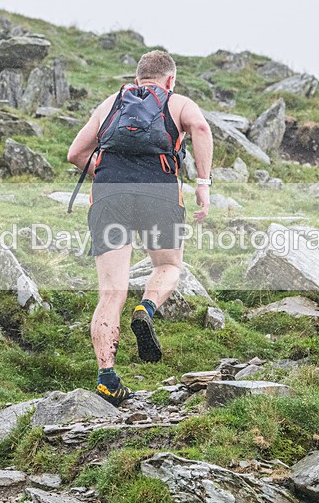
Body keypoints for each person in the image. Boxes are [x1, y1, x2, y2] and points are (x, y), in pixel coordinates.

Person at [66, 50, 214, 406]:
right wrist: (202, 183)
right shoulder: (177, 102)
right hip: (158, 192)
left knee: (110, 293)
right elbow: (201, 128)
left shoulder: (111, 104)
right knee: (167, 265)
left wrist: (107, 172)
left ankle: (106, 378)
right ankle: (146, 308)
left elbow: (75, 154)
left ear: (137, 81)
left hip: (109, 195)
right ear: (170, 80)